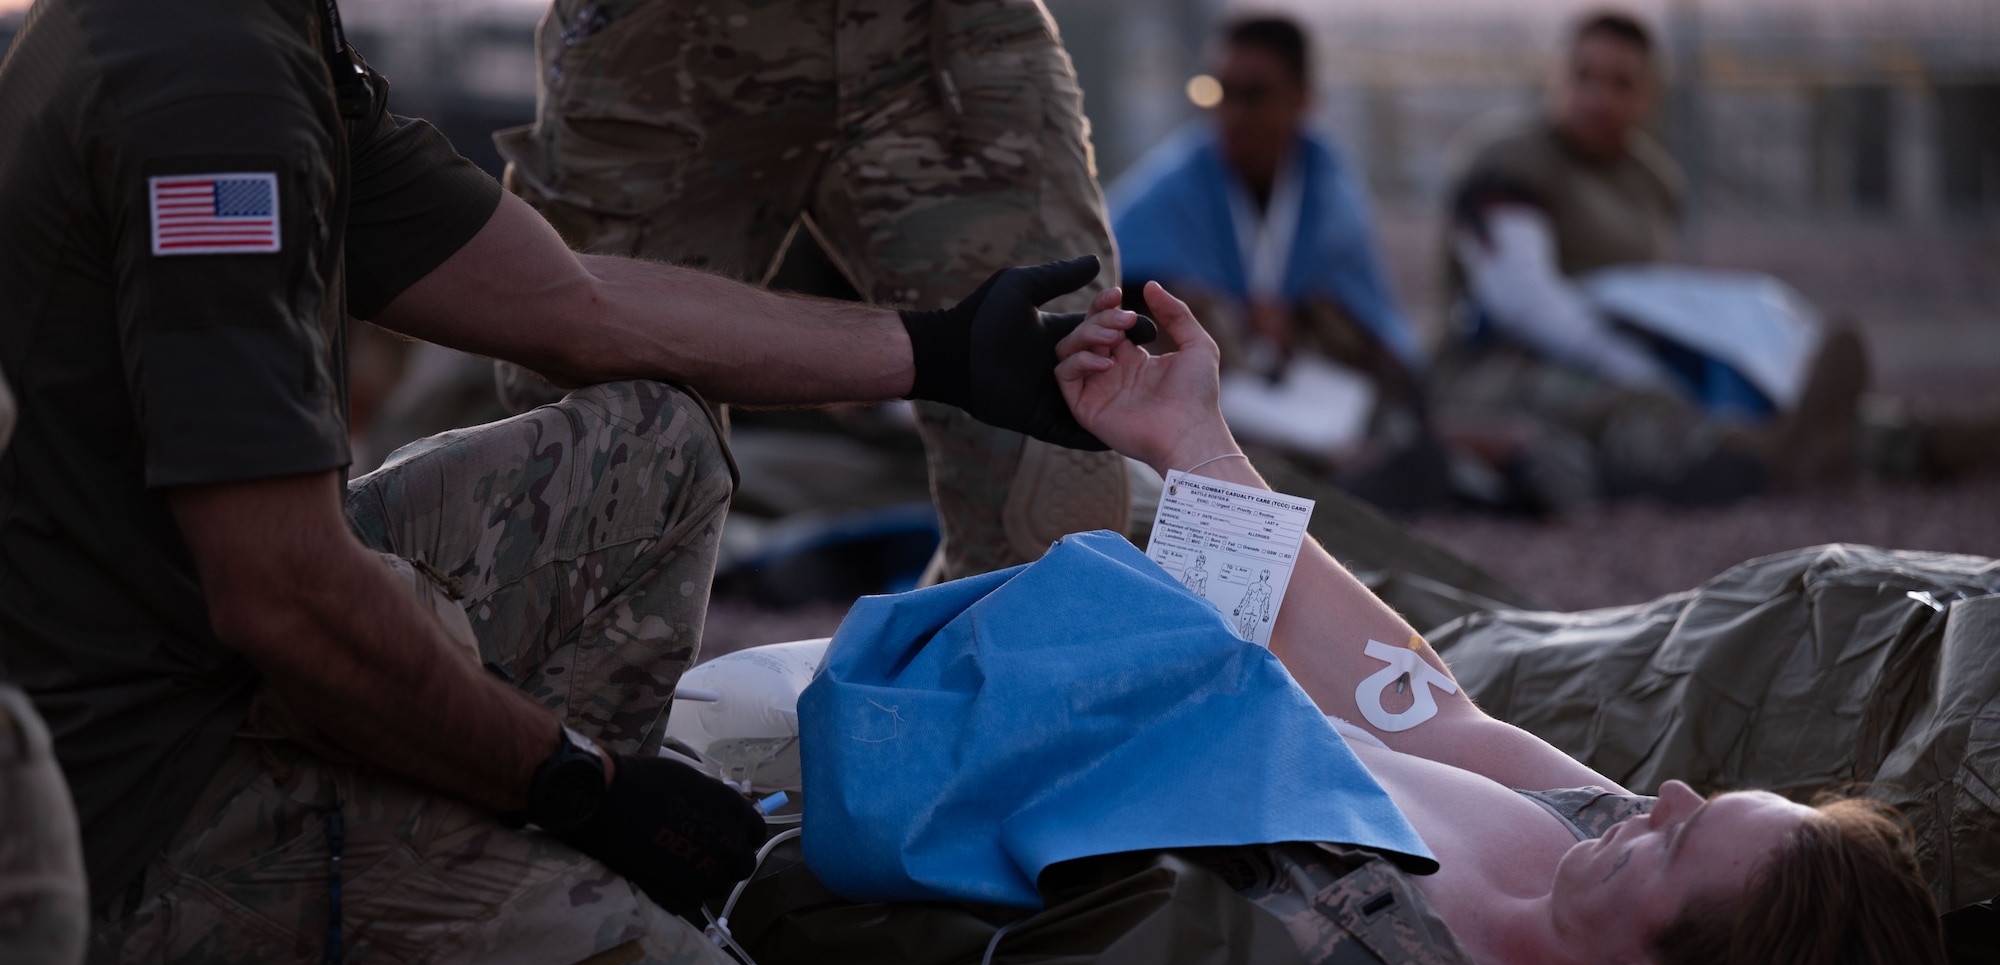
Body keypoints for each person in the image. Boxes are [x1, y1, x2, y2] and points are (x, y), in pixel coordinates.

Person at [0, 0, 1146, 965]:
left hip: (164, 664)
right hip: (133, 802)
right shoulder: (210, 92)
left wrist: (938, 352)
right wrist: (578, 786)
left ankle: (487, 903)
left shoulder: (240, 29)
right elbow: (281, 593)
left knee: (653, 446)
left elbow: (572, 303)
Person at [1049, 277, 1955, 965]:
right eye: (1698, 807)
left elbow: (1168, 730)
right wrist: (1196, 442)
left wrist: (1193, 476)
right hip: (1133, 655)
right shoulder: (1599, 868)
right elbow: (1425, 712)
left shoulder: (1355, 961)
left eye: (1678, 839)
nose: (1669, 796)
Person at [494, 0, 1131, 579]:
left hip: (948, 37)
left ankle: (1005, 669)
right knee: (596, 457)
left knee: (1062, 441)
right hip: (671, 44)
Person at [1432, 10, 1866, 508]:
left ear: (1649, 97)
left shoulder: (1652, 182)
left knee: (1766, 387)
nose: (1598, 96)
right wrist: (1633, 365)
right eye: (1583, 75)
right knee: (1638, 407)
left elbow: (1653, 298)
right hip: (1498, 366)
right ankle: (1754, 456)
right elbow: (1522, 301)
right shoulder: (1511, 162)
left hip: (1624, 351)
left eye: (1621, 83)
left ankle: (1915, 442)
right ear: (1555, 76)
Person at [1108, 15, 1443, 509]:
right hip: (1218, 374)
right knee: (1168, 315)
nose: (1233, 113)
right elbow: (1111, 267)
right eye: (1220, 92)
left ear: (1302, 99)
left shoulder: (1329, 188)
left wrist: (1299, 314)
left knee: (1368, 370)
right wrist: (1234, 312)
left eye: (1254, 95)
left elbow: (1369, 317)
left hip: (1303, 374)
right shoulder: (1175, 181)